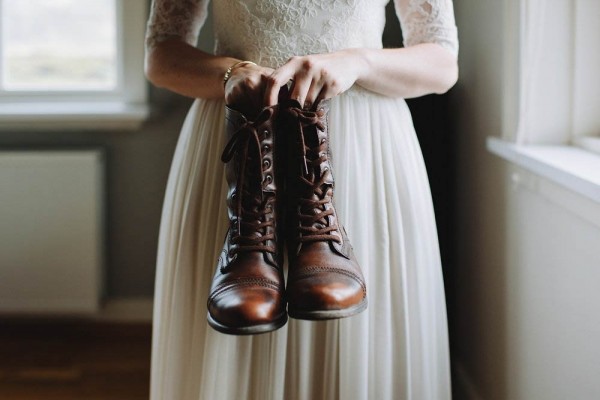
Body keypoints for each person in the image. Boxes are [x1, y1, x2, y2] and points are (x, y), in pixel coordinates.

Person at [144, 0, 458, 399]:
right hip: (245, 141)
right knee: (238, 345)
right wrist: (229, 72)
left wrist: (358, 62)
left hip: (359, 150)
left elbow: (442, 62)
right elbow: (162, 53)